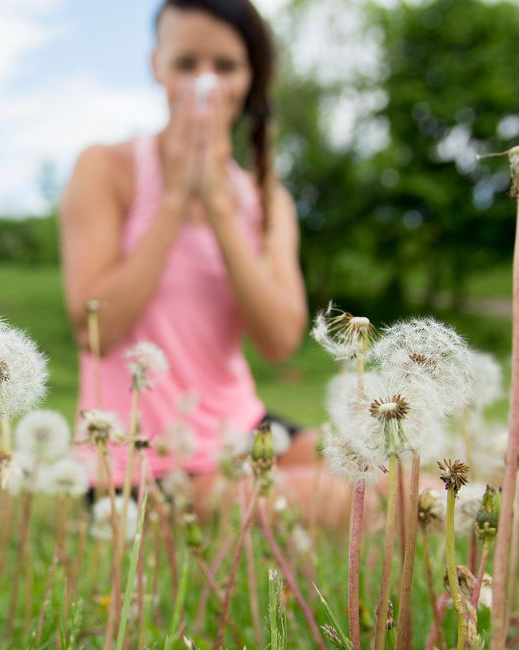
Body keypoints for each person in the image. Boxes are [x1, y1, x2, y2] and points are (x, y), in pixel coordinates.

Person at [59, 0, 350, 523]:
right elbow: (93, 327)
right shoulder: (106, 168)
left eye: (225, 66)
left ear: (250, 77)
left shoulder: (268, 200)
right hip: (145, 465)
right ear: (157, 67)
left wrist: (218, 208)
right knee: (357, 502)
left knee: (394, 476)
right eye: (187, 64)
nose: (205, 84)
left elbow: (280, 341)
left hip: (244, 430)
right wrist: (173, 203)